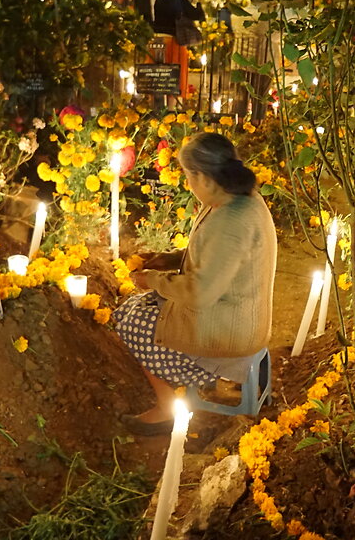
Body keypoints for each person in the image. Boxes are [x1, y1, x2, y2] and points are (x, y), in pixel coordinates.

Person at [114, 132, 277, 434]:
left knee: (131, 323)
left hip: (231, 328)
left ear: (201, 177)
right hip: (238, 312)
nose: (188, 184)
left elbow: (200, 293)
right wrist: (169, 259)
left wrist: (152, 279)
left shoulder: (230, 221)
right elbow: (217, 260)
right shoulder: (236, 199)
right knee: (138, 307)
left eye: (188, 176)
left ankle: (167, 409)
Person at [152, 0, 206, 100]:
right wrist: (199, 3)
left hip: (158, 40)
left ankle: (156, 104)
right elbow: (197, 15)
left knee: (157, 77)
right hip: (173, 41)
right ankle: (172, 108)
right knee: (175, 77)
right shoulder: (179, 0)